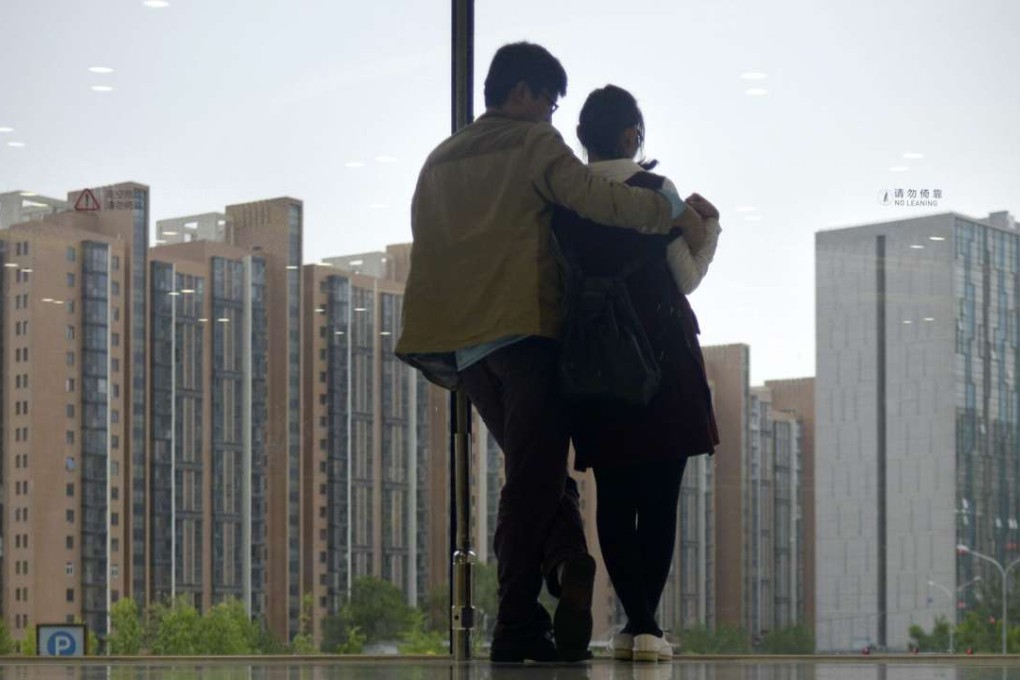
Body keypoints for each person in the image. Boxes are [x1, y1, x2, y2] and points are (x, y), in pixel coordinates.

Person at [396, 44, 705, 663]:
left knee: (537, 472)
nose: (553, 117)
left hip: (464, 346)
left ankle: (567, 566)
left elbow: (427, 242)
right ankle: (515, 624)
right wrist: (670, 209)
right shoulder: (534, 145)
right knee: (528, 483)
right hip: (525, 335)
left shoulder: (439, 158)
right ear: (523, 93)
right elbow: (600, 200)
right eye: (550, 101)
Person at [552, 84, 721, 663]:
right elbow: (686, 277)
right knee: (661, 497)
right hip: (663, 358)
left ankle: (634, 627)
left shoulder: (567, 200)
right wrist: (711, 230)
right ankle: (645, 627)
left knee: (617, 497)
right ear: (631, 135)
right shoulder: (659, 193)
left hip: (595, 360)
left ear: (584, 139)